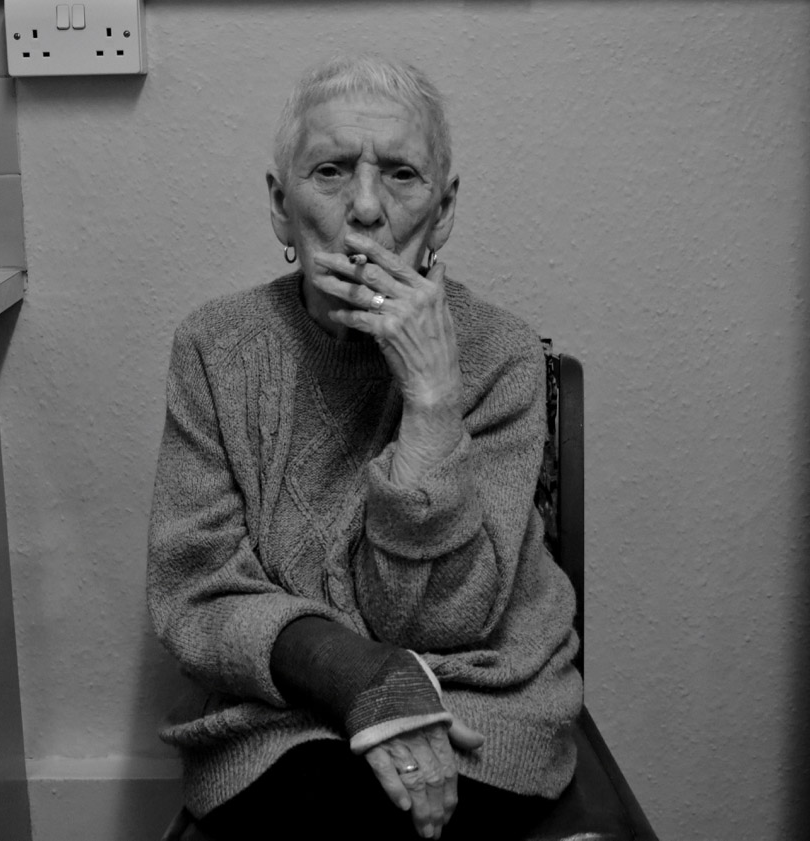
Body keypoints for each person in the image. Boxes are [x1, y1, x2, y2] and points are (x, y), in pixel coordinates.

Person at [148, 55, 583, 841]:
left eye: (402, 175)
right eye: (331, 170)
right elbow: (197, 597)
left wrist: (431, 403)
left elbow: (445, 619)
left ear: (443, 211)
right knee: (324, 807)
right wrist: (359, 676)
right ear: (281, 207)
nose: (366, 208)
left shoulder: (502, 354)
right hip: (284, 714)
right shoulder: (216, 347)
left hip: (477, 699)